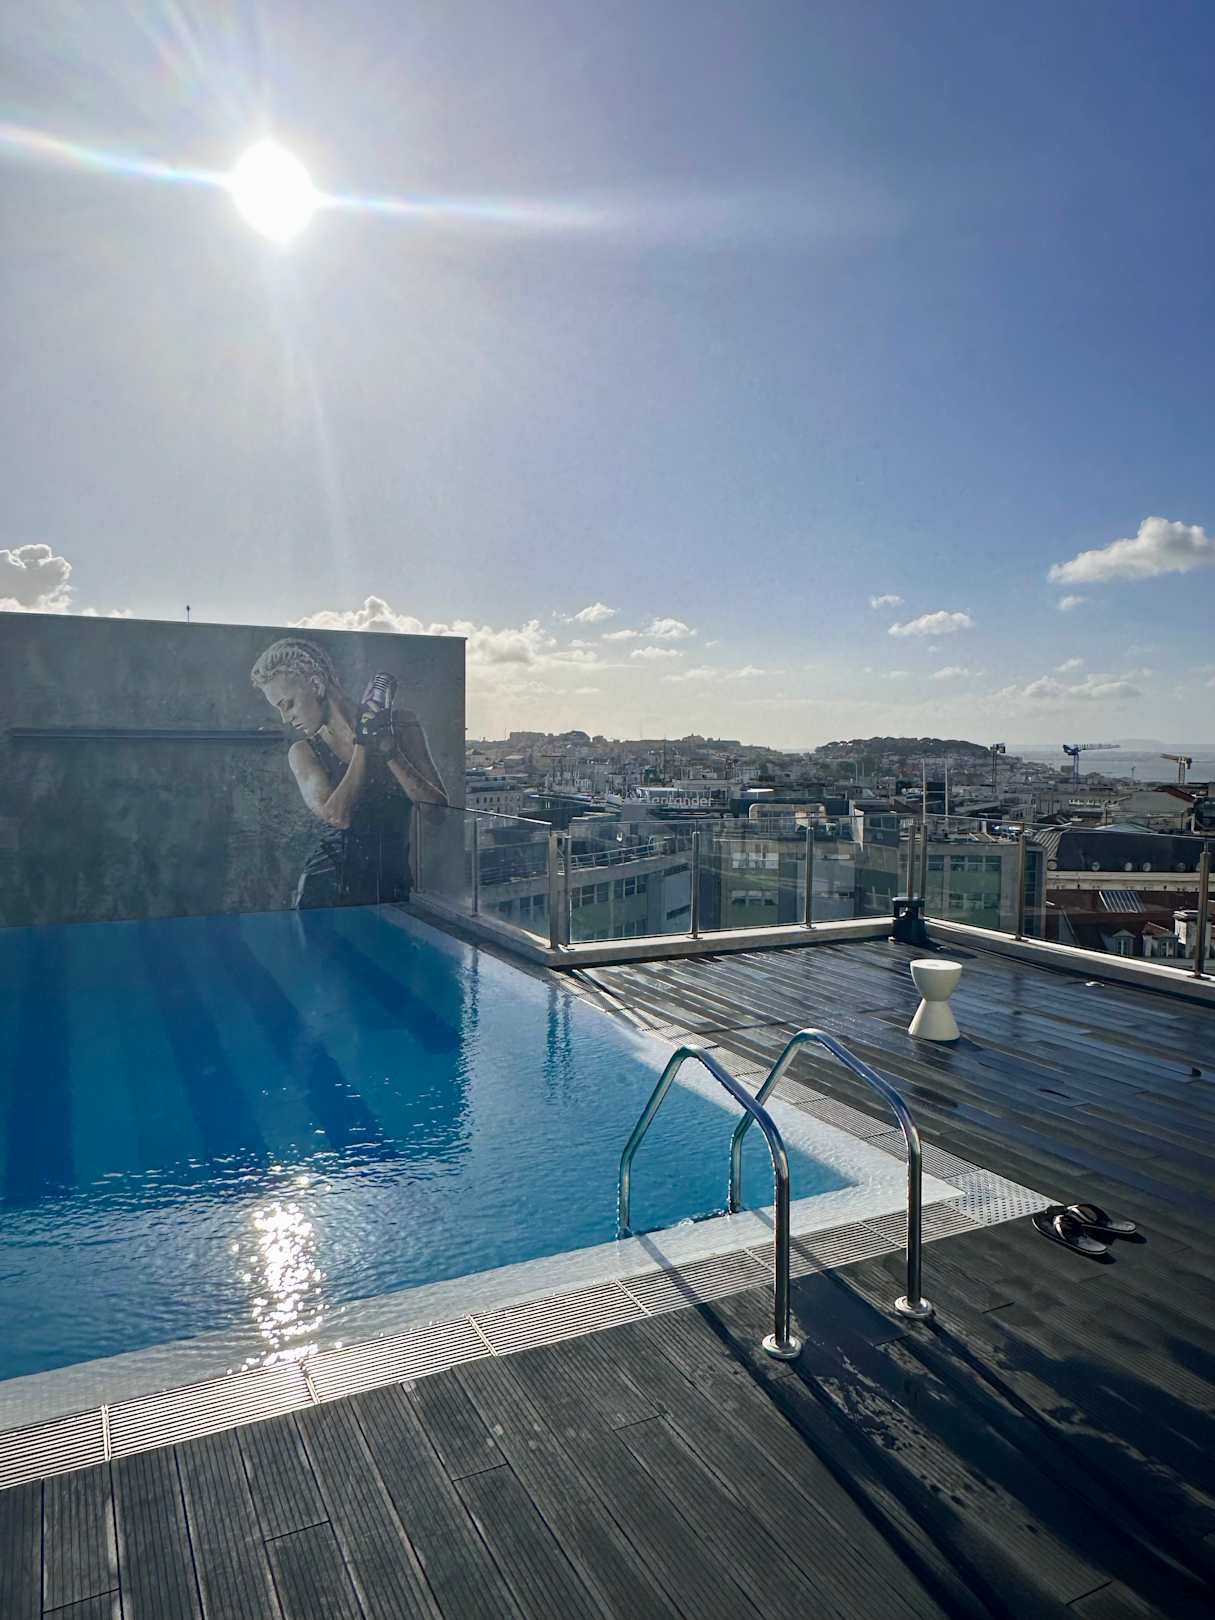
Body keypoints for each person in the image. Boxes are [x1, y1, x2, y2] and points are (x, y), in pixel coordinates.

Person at [250, 637, 448, 908]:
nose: (286, 718)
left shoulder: (403, 725)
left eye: (289, 704)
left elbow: (437, 811)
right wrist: (363, 742)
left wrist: (388, 748)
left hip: (393, 890)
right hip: (326, 896)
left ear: (316, 685)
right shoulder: (303, 753)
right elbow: (337, 817)